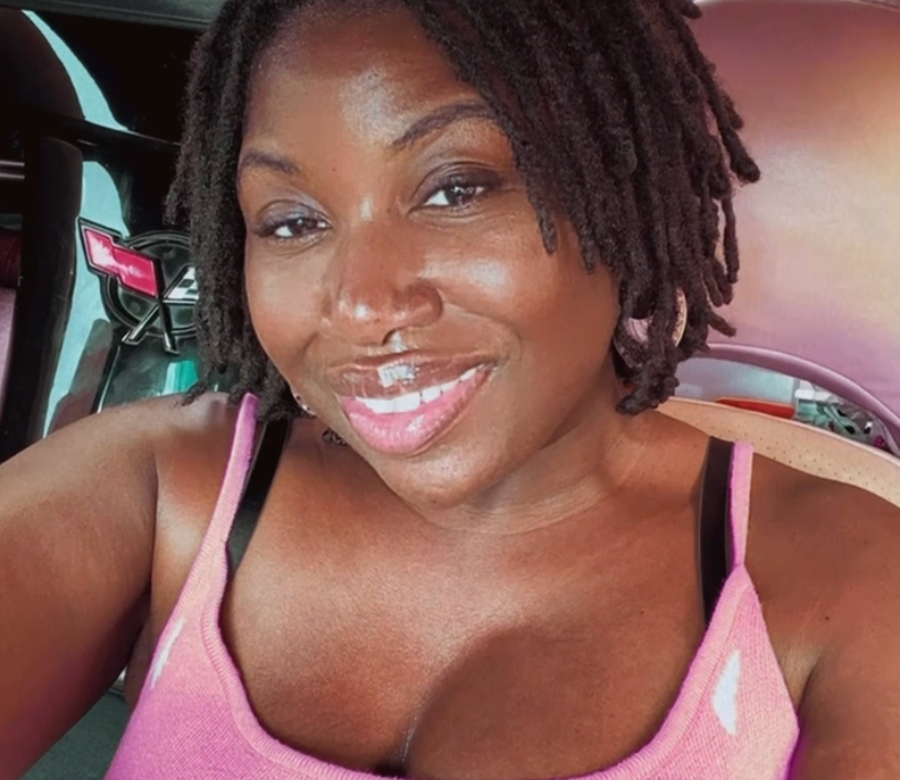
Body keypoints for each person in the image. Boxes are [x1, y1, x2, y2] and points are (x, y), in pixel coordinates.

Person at [2, 0, 899, 777]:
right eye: (293, 221)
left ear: (618, 191)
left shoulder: (848, 576)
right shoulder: (162, 485)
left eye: (455, 189)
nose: (359, 305)